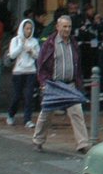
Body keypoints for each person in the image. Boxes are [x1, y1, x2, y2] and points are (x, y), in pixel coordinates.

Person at [33, 14, 90, 152]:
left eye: (69, 26)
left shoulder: (73, 43)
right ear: (57, 27)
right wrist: (43, 83)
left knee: (77, 113)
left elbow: (78, 65)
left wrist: (79, 83)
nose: (67, 29)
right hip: (54, 84)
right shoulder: (49, 44)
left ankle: (82, 144)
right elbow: (41, 64)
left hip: (70, 84)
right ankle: (38, 140)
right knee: (46, 113)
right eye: (64, 26)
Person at [5, 18, 41, 128]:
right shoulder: (15, 40)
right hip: (18, 71)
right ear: (22, 29)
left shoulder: (34, 41)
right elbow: (12, 55)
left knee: (29, 95)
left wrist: (32, 51)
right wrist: (21, 45)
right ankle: (11, 114)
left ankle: (27, 119)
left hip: (31, 71)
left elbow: (38, 55)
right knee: (17, 95)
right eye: (27, 29)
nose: (29, 31)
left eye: (30, 29)